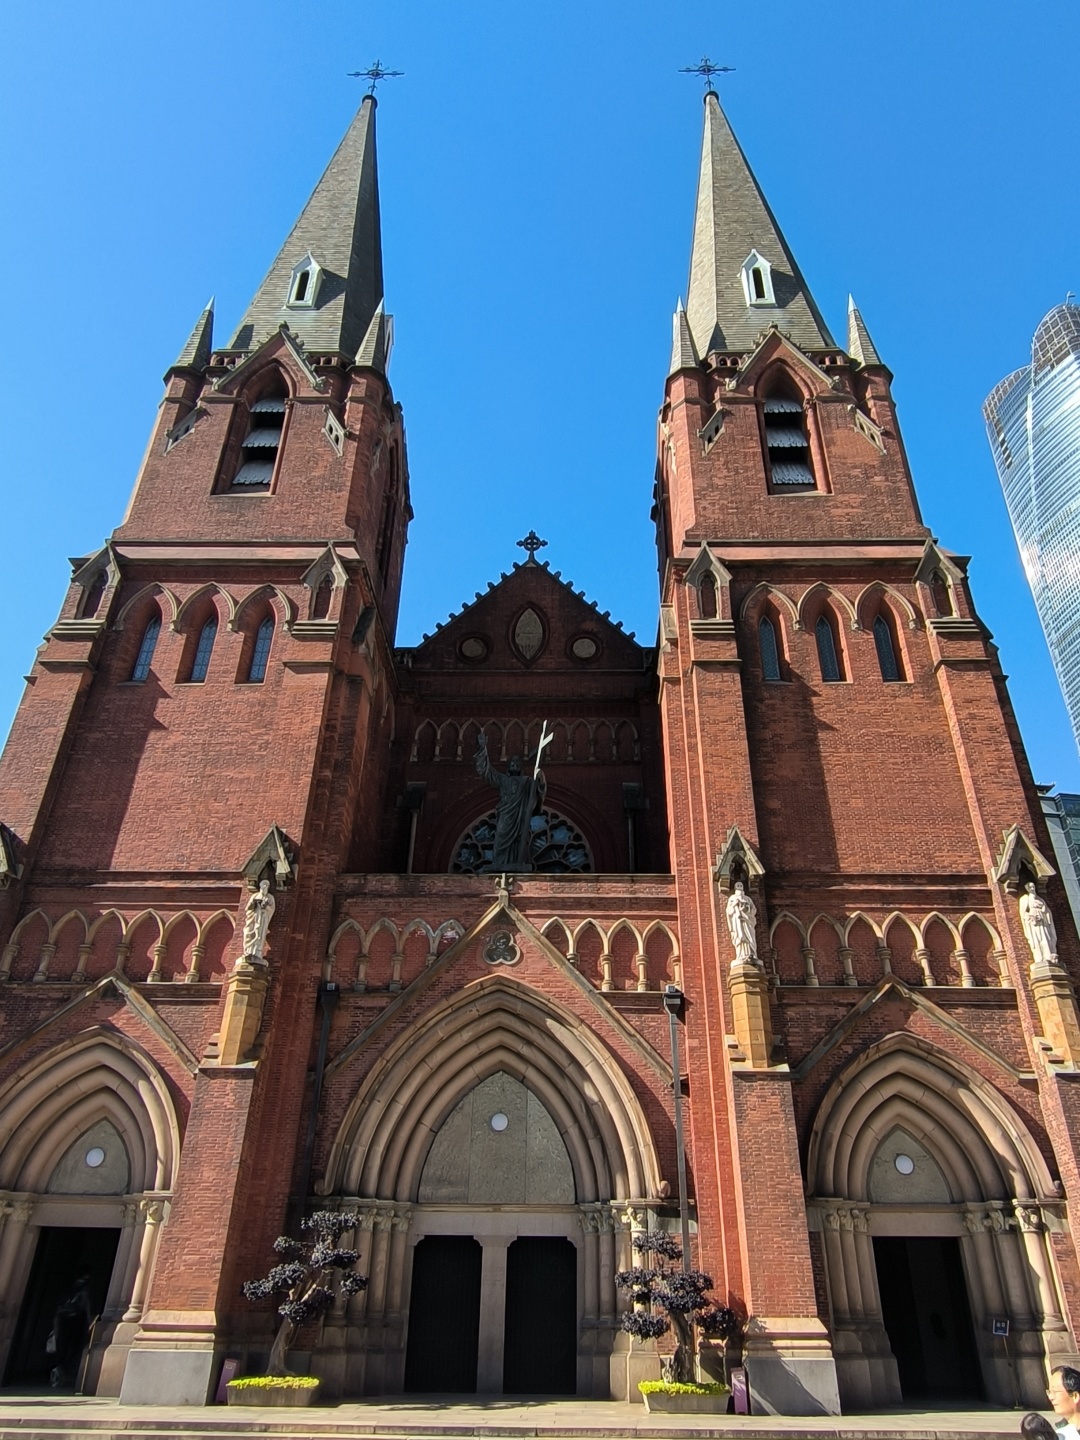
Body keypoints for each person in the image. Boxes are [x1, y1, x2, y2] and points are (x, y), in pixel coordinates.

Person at [474, 733, 546, 871]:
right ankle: (499, 865)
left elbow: (539, 790)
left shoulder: (527, 781)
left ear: (520, 767)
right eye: (512, 762)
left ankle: (519, 864)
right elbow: (486, 772)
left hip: (521, 818)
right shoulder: (502, 780)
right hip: (506, 815)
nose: (514, 764)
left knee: (521, 842)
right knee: (500, 839)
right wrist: (483, 748)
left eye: (517, 763)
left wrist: (540, 778)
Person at [47, 1271, 93, 1388]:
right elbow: (86, 1307)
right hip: (74, 1323)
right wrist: (88, 1320)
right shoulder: (83, 1291)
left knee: (61, 1349)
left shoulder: (70, 1290)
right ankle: (61, 1374)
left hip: (64, 1323)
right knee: (69, 1349)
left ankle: (59, 1375)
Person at [1020, 882, 1058, 966]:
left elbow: (1047, 911)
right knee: (1038, 940)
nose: (1032, 889)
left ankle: (1049, 957)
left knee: (1047, 939)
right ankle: (1040, 958)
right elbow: (1023, 914)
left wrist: (1045, 911)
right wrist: (1032, 917)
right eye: (1030, 887)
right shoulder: (1025, 898)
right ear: (1027, 889)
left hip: (1044, 922)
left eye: (1033, 887)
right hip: (1035, 924)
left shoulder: (1040, 899)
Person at [725, 881, 758, 965]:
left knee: (750, 937)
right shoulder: (732, 898)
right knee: (740, 936)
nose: (739, 887)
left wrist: (748, 910)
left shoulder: (747, 898)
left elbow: (754, 909)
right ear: (735, 888)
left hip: (747, 920)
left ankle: (752, 954)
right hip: (738, 920)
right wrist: (734, 905)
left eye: (741, 885)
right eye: (738, 885)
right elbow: (728, 911)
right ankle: (741, 955)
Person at [242, 878, 276, 960]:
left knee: (259, 934)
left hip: (262, 918)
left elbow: (272, 908)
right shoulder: (255, 895)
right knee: (248, 932)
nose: (265, 886)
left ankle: (257, 952)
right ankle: (247, 951)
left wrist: (265, 906)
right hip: (253, 918)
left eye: (267, 885)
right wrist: (254, 904)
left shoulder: (270, 897)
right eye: (264, 884)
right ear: (260, 886)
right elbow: (248, 908)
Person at [1047, 1365, 1080, 1440]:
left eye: (1055, 1392)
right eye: (1049, 1392)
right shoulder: (1058, 1433)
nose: (1050, 1397)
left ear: (1075, 1396)